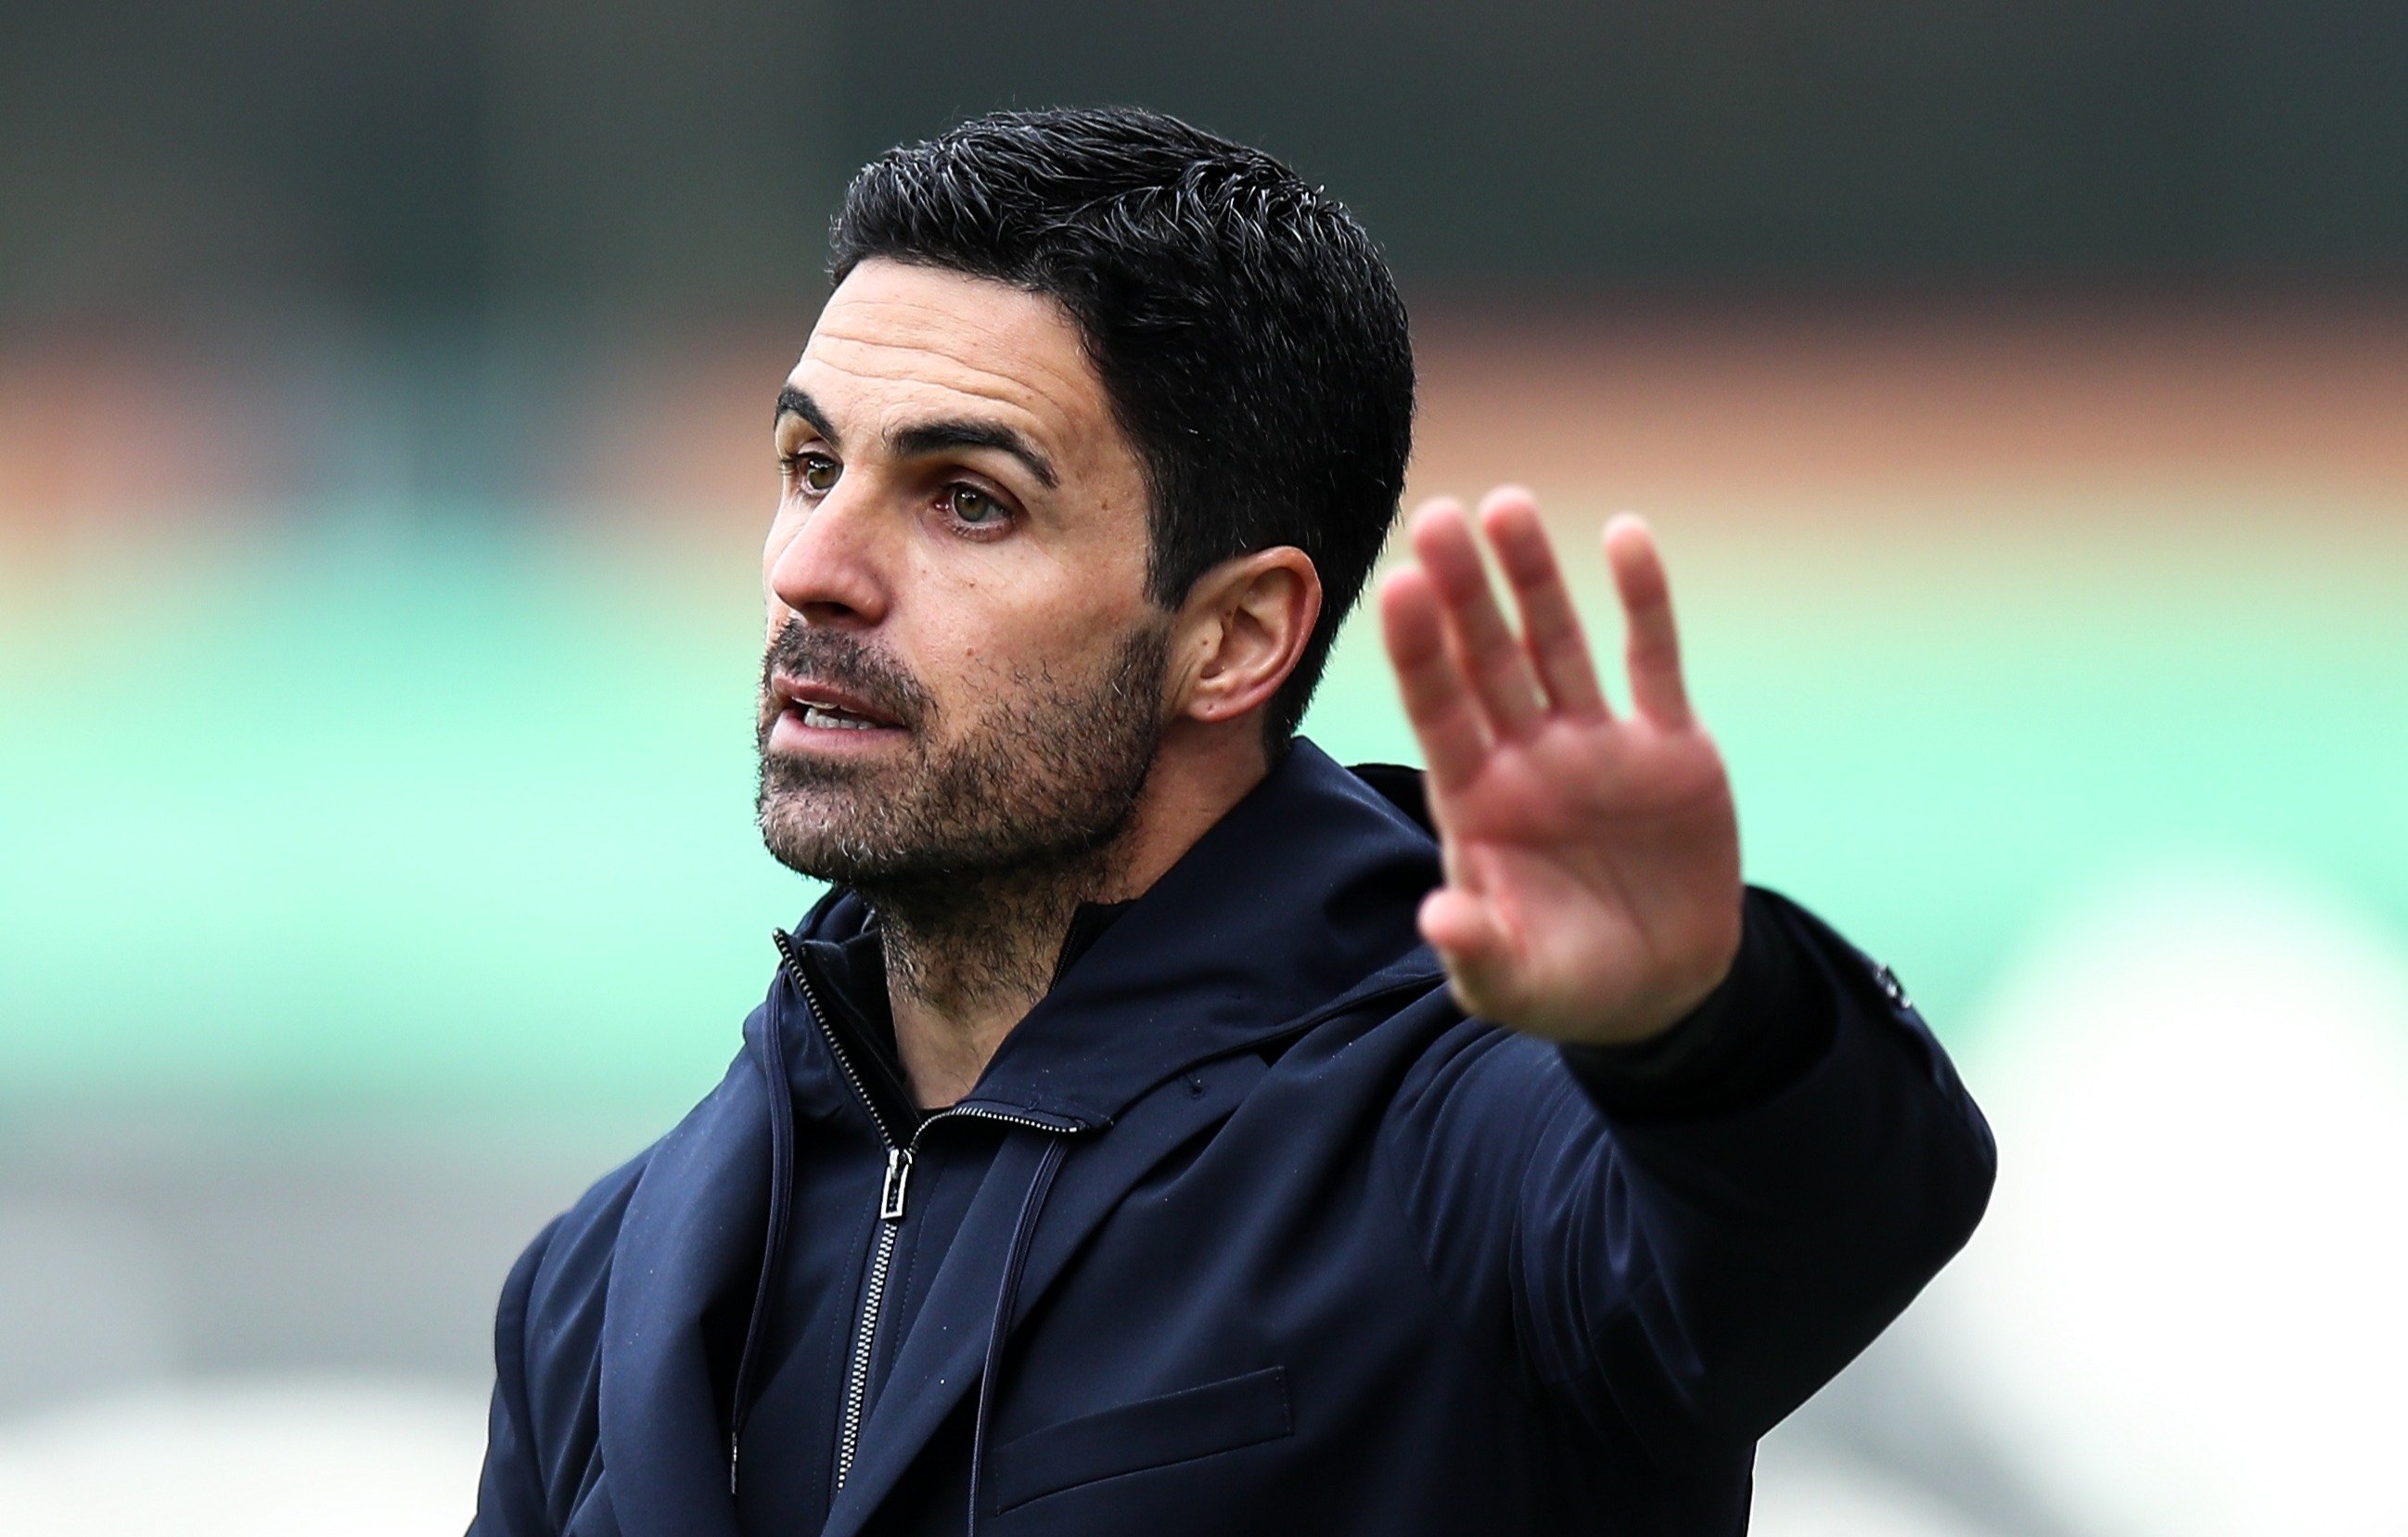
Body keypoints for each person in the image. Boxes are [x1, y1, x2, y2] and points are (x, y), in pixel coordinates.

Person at [468, 105, 1993, 1537]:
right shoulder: (599, 1281)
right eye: (811, 466)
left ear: (1236, 637)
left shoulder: (1459, 1146)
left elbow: (1830, 1221)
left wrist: (1699, 1027)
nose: (813, 567)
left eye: (967, 499)